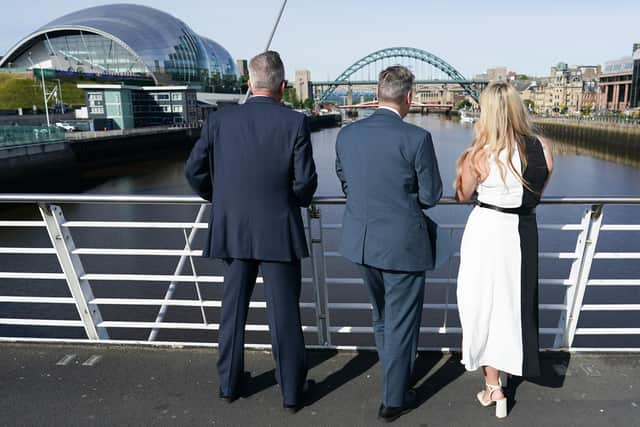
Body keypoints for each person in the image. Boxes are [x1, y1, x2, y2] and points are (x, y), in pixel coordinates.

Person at [184, 50, 317, 413]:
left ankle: (229, 384)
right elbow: (305, 184)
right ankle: (291, 393)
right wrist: (289, 199)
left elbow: (193, 171)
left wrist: (221, 198)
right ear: (283, 86)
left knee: (232, 309)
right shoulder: (295, 123)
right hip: (278, 230)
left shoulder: (219, 122)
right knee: (284, 313)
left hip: (233, 229)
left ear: (249, 83)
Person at [335, 65, 443, 422]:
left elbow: (345, 181)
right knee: (401, 322)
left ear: (378, 93)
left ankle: (391, 379)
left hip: (362, 244)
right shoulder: (416, 139)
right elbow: (430, 196)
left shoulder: (347, 136)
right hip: (402, 246)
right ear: (409, 98)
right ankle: (394, 399)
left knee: (381, 316)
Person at [454, 81, 553, 419]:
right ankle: (509, 371)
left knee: (482, 305)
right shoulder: (542, 147)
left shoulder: (479, 153)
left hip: (485, 232)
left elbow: (463, 194)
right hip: (522, 232)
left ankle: (493, 386)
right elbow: (538, 190)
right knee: (514, 303)